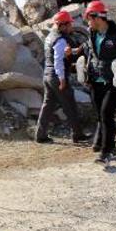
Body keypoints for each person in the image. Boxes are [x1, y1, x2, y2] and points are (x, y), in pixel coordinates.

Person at [83, 0, 116, 166]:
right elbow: (91, 54)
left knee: (106, 113)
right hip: (96, 80)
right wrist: (86, 72)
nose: (88, 22)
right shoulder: (92, 34)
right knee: (102, 116)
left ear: (97, 17)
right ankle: (112, 147)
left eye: (89, 18)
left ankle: (105, 153)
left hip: (114, 81)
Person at [34, 10, 91, 144]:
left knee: (47, 106)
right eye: (69, 24)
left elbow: (64, 52)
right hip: (57, 76)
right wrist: (62, 79)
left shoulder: (50, 37)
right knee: (70, 105)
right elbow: (58, 59)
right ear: (62, 25)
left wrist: (80, 48)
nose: (71, 27)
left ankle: (40, 135)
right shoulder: (60, 39)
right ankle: (78, 135)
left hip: (47, 75)